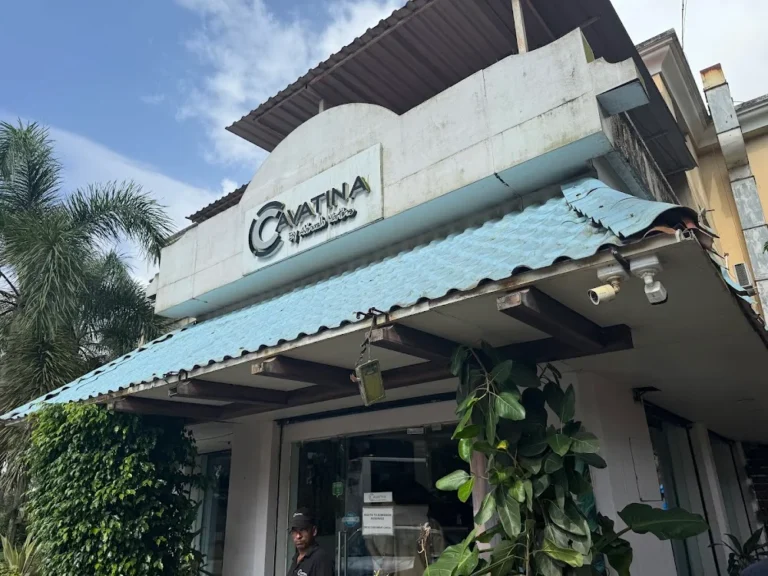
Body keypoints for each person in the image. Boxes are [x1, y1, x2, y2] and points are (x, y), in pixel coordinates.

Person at [288, 508, 334, 576]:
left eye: (302, 530)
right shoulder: (296, 558)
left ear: (314, 531)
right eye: (294, 531)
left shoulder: (320, 559)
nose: (298, 536)